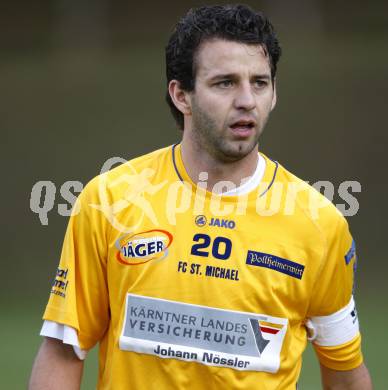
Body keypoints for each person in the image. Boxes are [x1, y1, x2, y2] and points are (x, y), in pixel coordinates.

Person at [29, 4, 372, 389]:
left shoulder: (320, 225)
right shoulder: (110, 200)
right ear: (182, 95)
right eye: (225, 82)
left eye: (259, 82)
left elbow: (345, 375)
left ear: (274, 94)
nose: (247, 100)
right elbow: (63, 352)